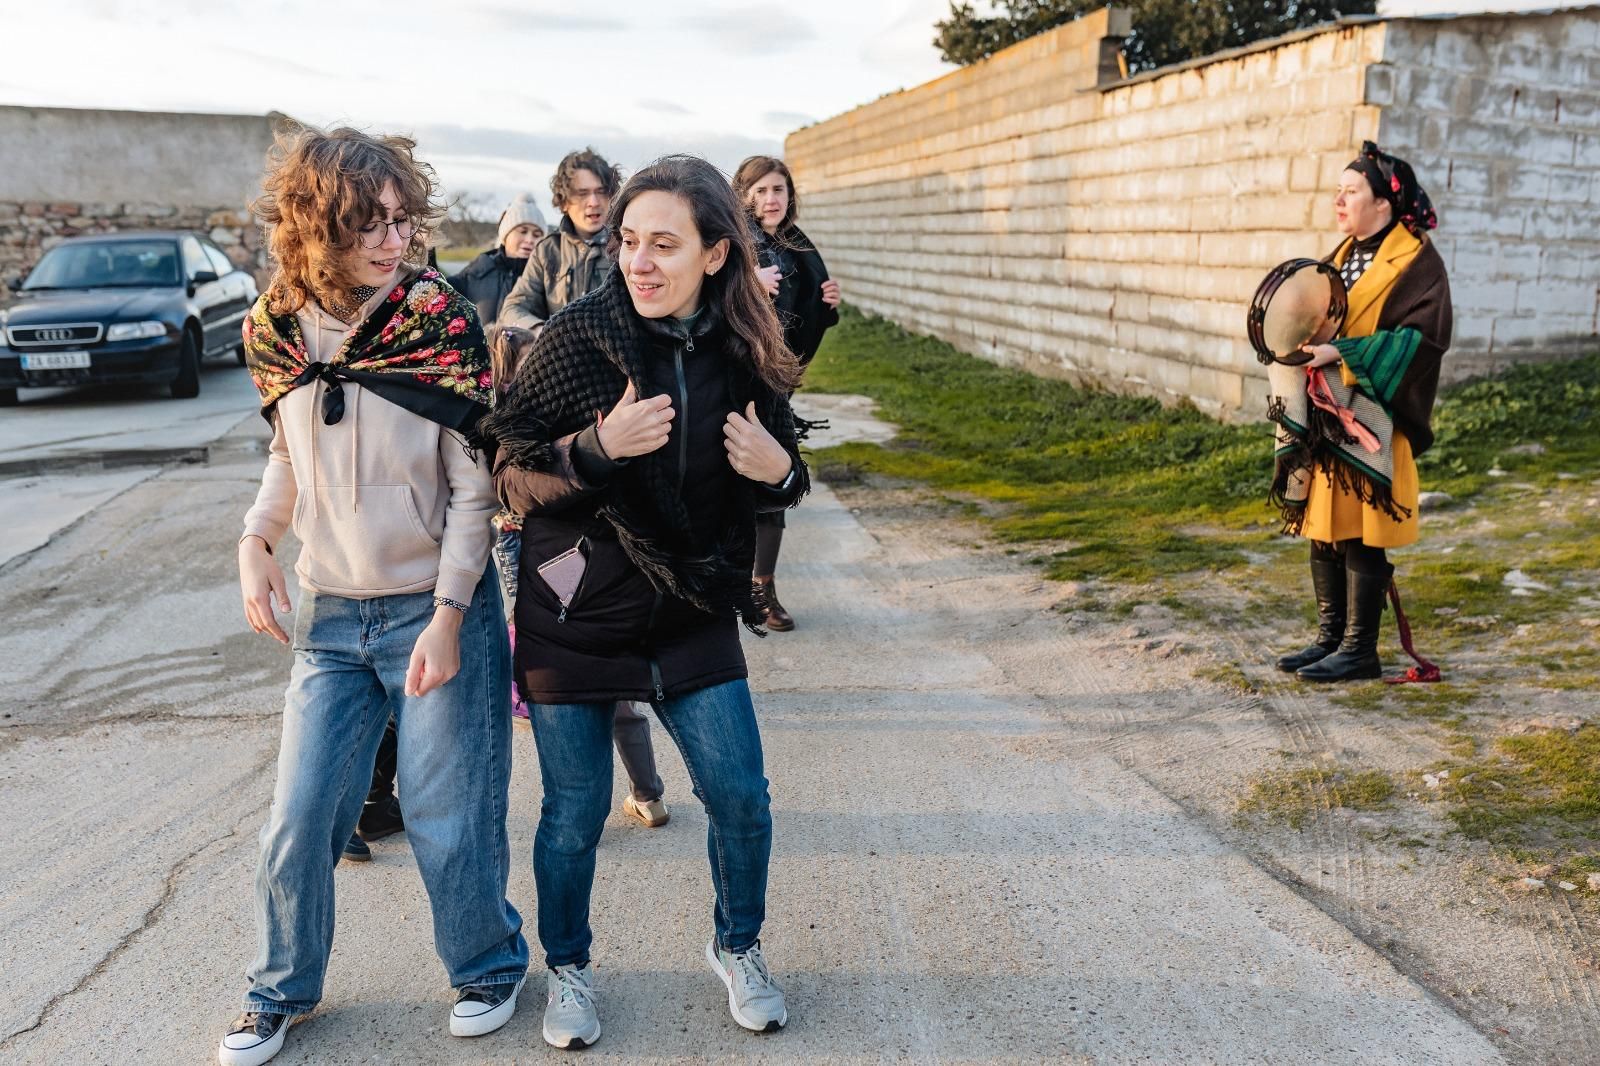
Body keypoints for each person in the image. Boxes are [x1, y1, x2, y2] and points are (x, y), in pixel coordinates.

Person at [481, 154, 808, 1049]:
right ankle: (571, 971)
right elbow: (505, 468)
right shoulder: (579, 337)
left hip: (693, 604)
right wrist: (595, 447)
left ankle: (737, 946)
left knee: (742, 796)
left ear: (716, 254)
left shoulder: (747, 344)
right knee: (575, 813)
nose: (639, 262)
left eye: (665, 244)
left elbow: (784, 467)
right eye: (628, 242)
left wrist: (781, 471)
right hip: (577, 613)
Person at [222, 125, 528, 1066]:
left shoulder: (435, 319)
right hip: (328, 617)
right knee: (300, 818)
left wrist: (447, 616)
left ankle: (488, 964)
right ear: (316, 227)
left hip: (433, 608)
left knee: (446, 814)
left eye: (402, 220)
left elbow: (475, 489)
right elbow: (288, 453)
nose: (394, 241)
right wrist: (256, 541)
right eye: (369, 224)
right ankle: (280, 992)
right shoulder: (276, 327)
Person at [1269, 139, 1451, 683]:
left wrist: (1342, 354)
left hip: (1374, 418)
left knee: (1362, 531)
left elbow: (1424, 340)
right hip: (1331, 414)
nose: (1338, 200)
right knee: (1324, 524)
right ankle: (1329, 639)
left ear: (1384, 204)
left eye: (1351, 191)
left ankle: (1359, 649)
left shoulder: (1418, 263)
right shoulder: (1340, 257)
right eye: (1338, 191)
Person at [731, 156, 840, 632]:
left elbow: (805, 313)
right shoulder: (732, 244)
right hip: (729, 379)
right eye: (761, 191)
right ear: (743, 195)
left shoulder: (798, 244)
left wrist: (829, 304)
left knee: (772, 482)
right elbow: (701, 295)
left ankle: (762, 589)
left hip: (774, 386)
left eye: (779, 190)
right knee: (718, 487)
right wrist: (746, 285)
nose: (771, 199)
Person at [499, 147, 622, 331]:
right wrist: (542, 333)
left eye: (601, 191)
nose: (594, 202)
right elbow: (512, 308)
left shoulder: (628, 245)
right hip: (560, 356)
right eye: (582, 193)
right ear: (564, 202)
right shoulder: (547, 251)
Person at [448, 194, 546, 330]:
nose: (530, 239)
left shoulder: (546, 279)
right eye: (523, 231)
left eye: (537, 235)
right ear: (505, 236)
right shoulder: (477, 272)